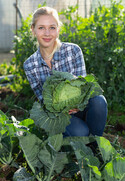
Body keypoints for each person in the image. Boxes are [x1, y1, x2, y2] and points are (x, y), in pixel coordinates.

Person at [23, 6, 107, 137]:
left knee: (99, 101)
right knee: (81, 132)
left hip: (80, 107)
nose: (47, 33)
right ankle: (83, 139)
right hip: (57, 115)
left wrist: (77, 104)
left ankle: (96, 147)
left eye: (52, 27)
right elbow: (43, 100)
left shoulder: (73, 51)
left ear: (58, 30)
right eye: (41, 28)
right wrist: (61, 108)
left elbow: (83, 87)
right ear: (33, 30)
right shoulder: (30, 65)